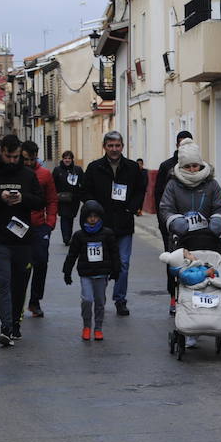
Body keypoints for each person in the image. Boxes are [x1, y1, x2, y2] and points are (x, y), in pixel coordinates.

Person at [0, 134, 44, 347]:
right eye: (8, 156)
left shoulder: (28, 175)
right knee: (3, 283)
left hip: (23, 240)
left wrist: (23, 198)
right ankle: (6, 327)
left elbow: (40, 201)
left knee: (20, 285)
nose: (12, 160)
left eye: (15, 156)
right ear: (1, 152)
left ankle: (15, 323)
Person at [158, 140, 221, 323]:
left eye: (195, 165)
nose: (192, 170)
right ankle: (188, 318)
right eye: (187, 166)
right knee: (186, 279)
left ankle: (216, 316)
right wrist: (175, 221)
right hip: (184, 240)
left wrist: (218, 222)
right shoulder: (173, 185)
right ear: (181, 166)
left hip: (209, 238)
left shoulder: (212, 184)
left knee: (214, 273)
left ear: (200, 164)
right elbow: (165, 208)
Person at [81, 131, 146, 316]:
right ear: (104, 147)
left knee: (123, 263)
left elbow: (140, 191)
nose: (114, 149)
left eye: (117, 145)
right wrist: (94, 210)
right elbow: (85, 192)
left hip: (124, 223)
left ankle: (120, 299)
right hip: (101, 225)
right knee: (101, 263)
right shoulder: (94, 168)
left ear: (122, 146)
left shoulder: (133, 168)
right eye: (110, 145)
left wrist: (131, 208)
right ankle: (99, 300)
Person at [63, 200, 120, 341]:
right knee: (87, 300)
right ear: (84, 218)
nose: (93, 219)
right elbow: (72, 254)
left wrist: (116, 270)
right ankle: (87, 326)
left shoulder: (107, 234)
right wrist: (67, 272)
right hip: (86, 274)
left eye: (95, 216)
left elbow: (114, 253)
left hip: (102, 274)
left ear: (100, 217)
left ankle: (98, 328)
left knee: (100, 302)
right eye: (89, 216)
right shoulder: (79, 235)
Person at [154, 131, 194, 313]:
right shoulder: (167, 166)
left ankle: (190, 296)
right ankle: (173, 296)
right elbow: (158, 195)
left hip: (192, 225)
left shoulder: (197, 167)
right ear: (177, 145)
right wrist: (163, 220)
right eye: (180, 143)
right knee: (173, 259)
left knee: (192, 260)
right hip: (170, 224)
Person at [21, 140, 58, 318]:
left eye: (31, 159)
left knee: (41, 263)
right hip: (18, 227)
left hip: (39, 227)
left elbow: (52, 199)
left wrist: (49, 224)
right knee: (20, 266)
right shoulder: (16, 173)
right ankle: (18, 301)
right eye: (25, 159)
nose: (28, 162)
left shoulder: (44, 174)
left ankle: (35, 302)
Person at [52, 150, 84, 245]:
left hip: (74, 199)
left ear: (72, 159)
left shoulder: (77, 170)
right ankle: (66, 237)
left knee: (70, 217)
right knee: (64, 217)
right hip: (61, 199)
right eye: (65, 158)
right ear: (62, 159)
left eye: (69, 158)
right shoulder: (57, 170)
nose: (67, 160)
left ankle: (68, 236)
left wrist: (82, 194)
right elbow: (52, 184)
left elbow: (83, 182)